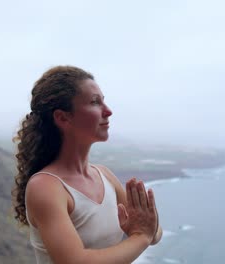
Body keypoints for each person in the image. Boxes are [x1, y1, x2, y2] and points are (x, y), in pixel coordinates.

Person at [12, 65, 163, 264]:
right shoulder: (46, 187)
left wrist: (144, 229)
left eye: (104, 101)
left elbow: (154, 232)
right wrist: (140, 237)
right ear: (63, 117)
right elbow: (76, 261)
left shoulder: (105, 175)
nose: (108, 111)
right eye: (95, 102)